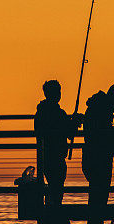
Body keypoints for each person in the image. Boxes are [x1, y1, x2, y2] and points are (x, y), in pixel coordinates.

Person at [82, 81, 114, 224]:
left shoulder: (99, 106)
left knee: (97, 197)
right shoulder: (101, 109)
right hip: (99, 159)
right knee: (99, 197)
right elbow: (106, 132)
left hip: (94, 157)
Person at [34, 80, 80, 216]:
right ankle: (55, 214)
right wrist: (75, 123)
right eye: (58, 91)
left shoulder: (41, 112)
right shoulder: (57, 112)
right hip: (56, 156)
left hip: (44, 156)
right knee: (57, 188)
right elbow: (68, 132)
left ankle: (52, 212)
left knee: (52, 187)